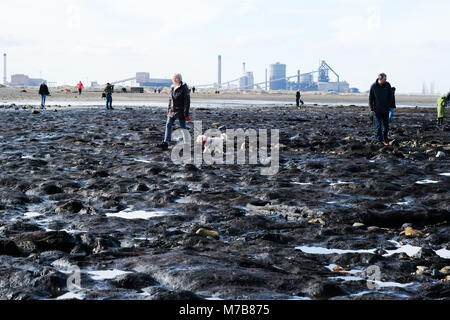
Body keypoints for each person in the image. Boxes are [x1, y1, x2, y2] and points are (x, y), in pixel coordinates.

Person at [157, 73, 190, 150]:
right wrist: (168, 110)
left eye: (176, 78)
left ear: (180, 79)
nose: (175, 80)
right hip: (172, 111)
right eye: (174, 78)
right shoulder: (172, 87)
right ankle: (166, 142)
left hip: (181, 111)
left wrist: (186, 113)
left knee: (183, 128)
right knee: (168, 124)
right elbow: (170, 100)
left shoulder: (184, 88)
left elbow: (187, 102)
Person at [369, 73, 394, 146]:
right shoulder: (374, 86)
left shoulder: (387, 85)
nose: (386, 80)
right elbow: (371, 99)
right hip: (377, 110)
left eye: (386, 79)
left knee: (386, 126)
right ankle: (379, 140)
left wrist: (388, 105)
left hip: (385, 109)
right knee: (378, 126)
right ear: (380, 79)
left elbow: (390, 95)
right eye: (384, 79)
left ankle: (385, 140)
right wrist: (371, 109)